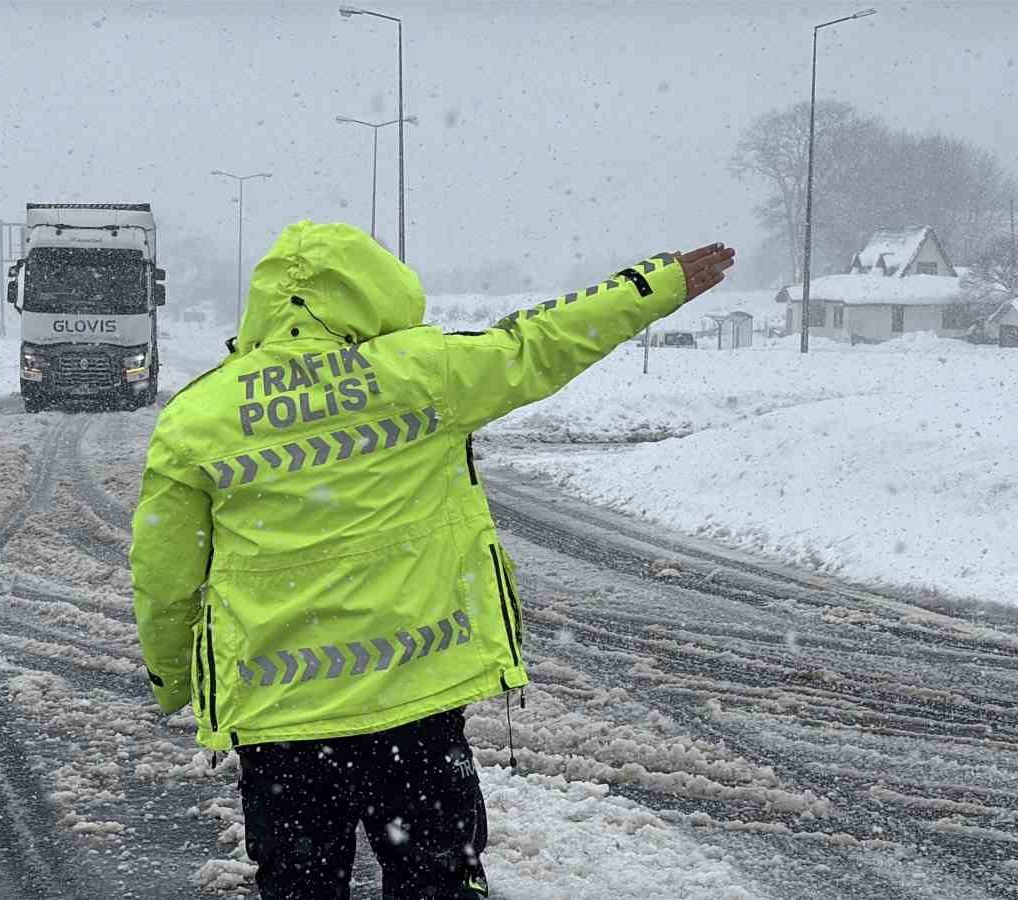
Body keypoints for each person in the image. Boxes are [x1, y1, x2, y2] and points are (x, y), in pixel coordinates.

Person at [129, 221, 733, 899]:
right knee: (437, 884)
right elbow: (539, 341)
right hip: (413, 712)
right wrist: (652, 286)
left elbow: (164, 576)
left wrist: (174, 679)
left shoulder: (199, 416)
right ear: (375, 289)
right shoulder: (425, 372)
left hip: (280, 723)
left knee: (299, 888)